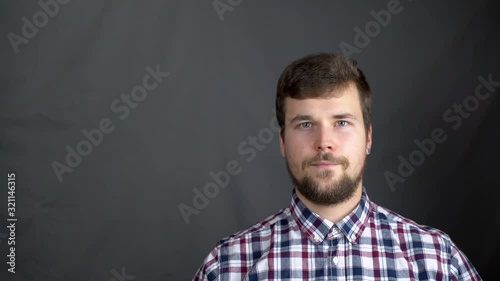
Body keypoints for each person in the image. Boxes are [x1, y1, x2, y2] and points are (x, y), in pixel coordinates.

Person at [192, 53, 482, 280]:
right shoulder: (228, 266)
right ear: (282, 141)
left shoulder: (437, 260)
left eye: (341, 122)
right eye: (305, 124)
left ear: (368, 137)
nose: (324, 142)